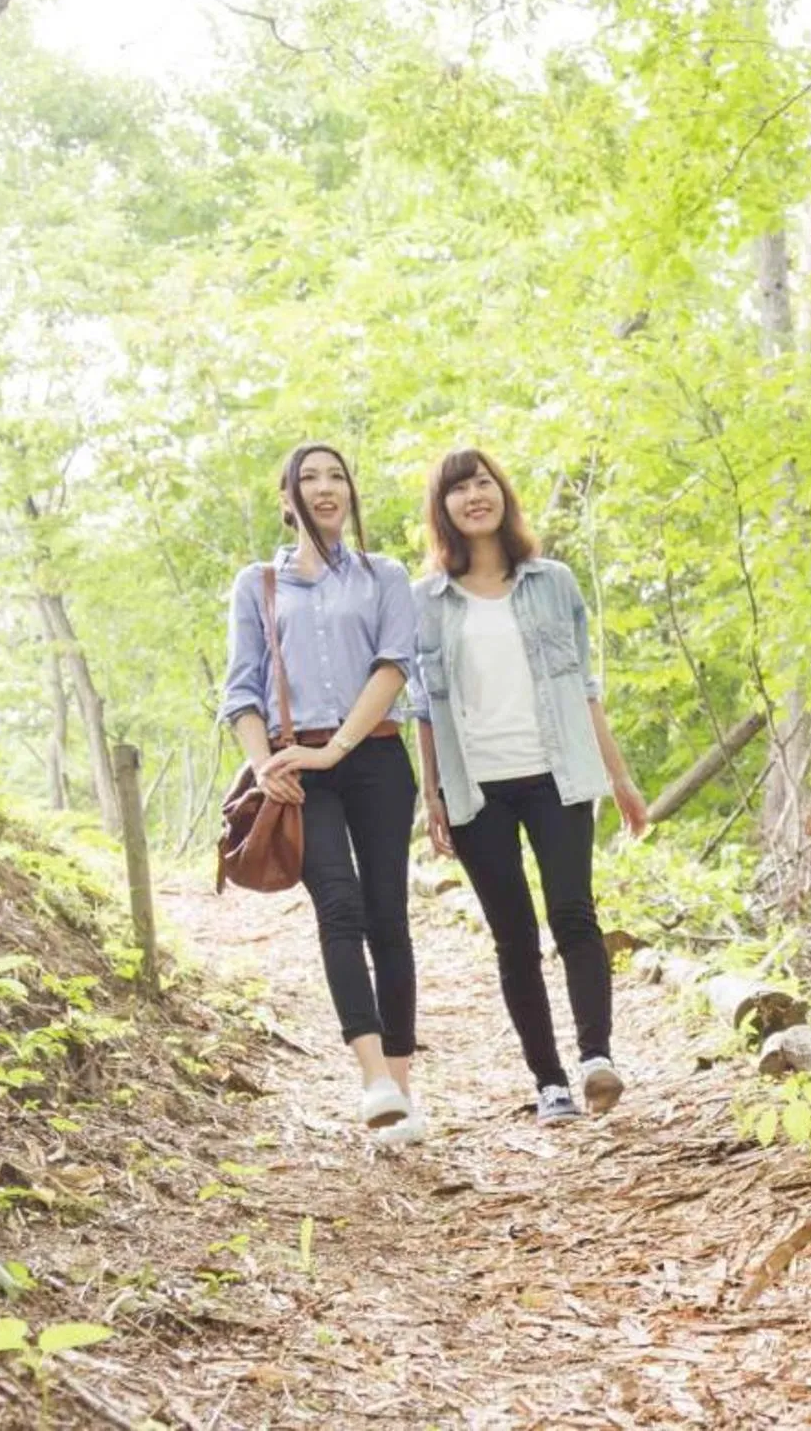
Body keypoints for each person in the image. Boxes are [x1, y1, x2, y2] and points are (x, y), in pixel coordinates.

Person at [411, 446, 648, 1125]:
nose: (473, 496)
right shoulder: (425, 600)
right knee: (513, 936)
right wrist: (432, 796)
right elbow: (425, 709)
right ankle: (549, 1082)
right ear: (443, 510)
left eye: (482, 482)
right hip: (476, 786)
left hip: (558, 773)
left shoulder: (553, 582)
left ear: (502, 494)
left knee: (574, 915)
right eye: (457, 490)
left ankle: (596, 1057)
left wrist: (619, 775)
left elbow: (584, 687)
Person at [220, 442, 428, 1147]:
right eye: (308, 478)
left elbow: (394, 666)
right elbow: (240, 691)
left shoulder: (384, 575)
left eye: (336, 476)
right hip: (295, 770)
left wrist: (335, 746)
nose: (324, 487)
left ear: (351, 493)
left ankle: (402, 1087)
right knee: (337, 904)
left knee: (386, 915)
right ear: (286, 499)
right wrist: (267, 764)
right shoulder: (257, 584)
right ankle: (372, 1079)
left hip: (372, 756)